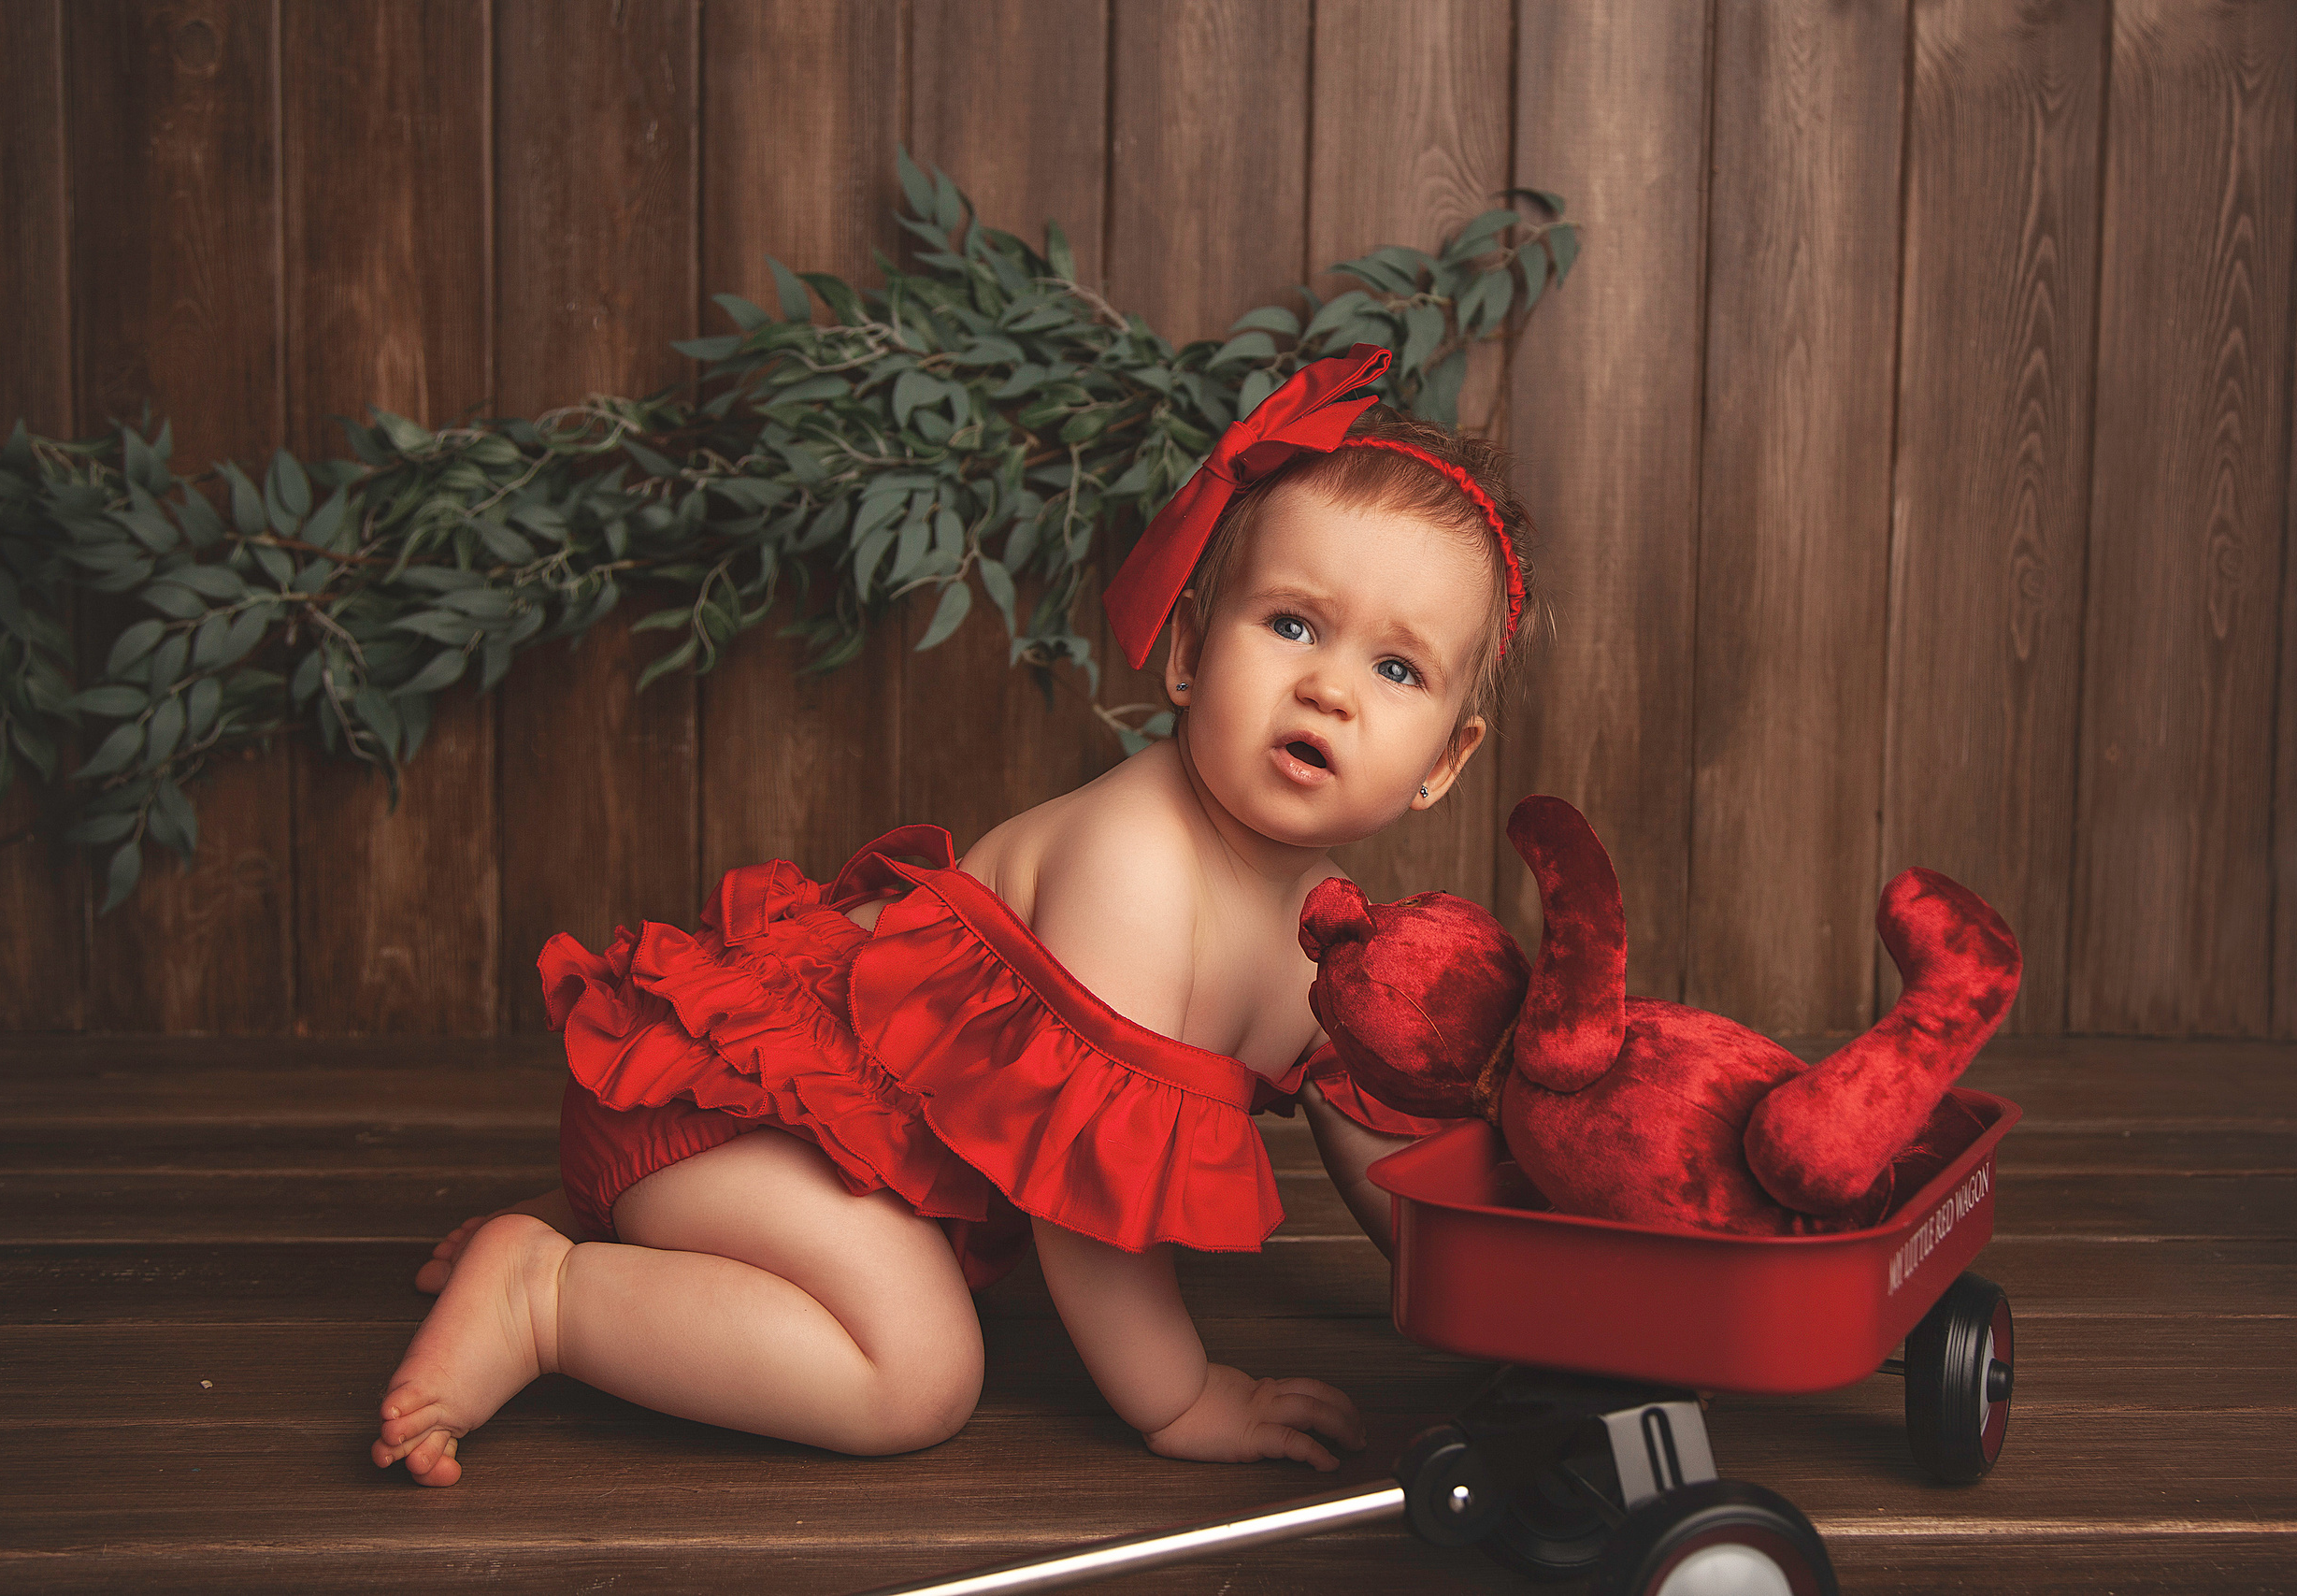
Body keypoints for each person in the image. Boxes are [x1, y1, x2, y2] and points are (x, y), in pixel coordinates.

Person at [371, 345, 1537, 1488]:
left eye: (1397, 670)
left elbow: (1381, 1137)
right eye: (1290, 623)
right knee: (915, 1377)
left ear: (1445, 760)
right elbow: (1079, 1198)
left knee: (902, 1299)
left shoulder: (1327, 933)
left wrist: (1506, 1304)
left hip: (807, 1168)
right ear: (1187, 650)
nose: (1328, 685)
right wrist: (1178, 1393)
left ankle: (628, 1225)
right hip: (749, 1120)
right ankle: (548, 1297)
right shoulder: (1134, 864)